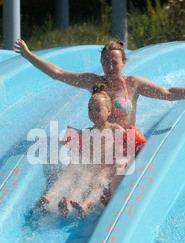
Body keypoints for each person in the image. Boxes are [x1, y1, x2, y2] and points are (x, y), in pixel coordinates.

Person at [14, 38, 185, 131]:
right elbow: (58, 73)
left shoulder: (133, 84)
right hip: (101, 138)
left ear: (124, 62)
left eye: (114, 62)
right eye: (105, 62)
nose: (110, 66)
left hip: (124, 142)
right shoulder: (94, 82)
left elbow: (167, 92)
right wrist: (28, 55)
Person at [40, 84, 128, 216]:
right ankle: (56, 199)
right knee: (74, 170)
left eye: (97, 109)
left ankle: (85, 204)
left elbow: (128, 146)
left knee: (98, 180)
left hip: (106, 167)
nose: (93, 113)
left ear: (109, 111)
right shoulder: (87, 131)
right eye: (90, 109)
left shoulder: (115, 129)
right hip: (90, 166)